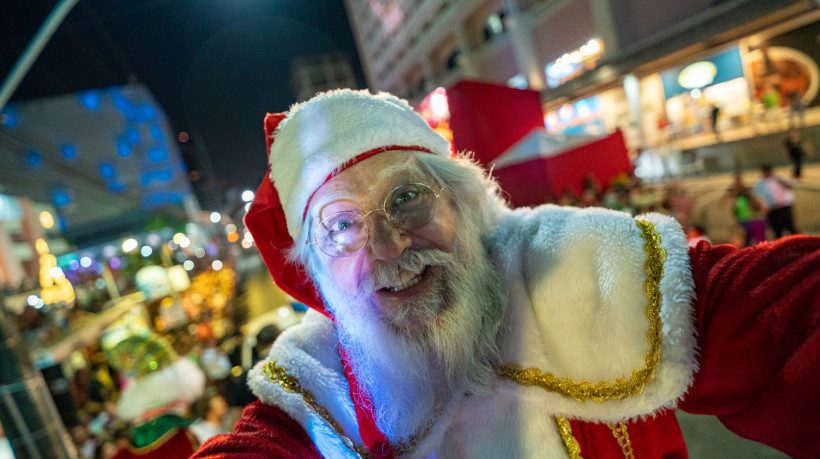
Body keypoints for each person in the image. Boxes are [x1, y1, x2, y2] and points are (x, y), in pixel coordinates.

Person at [193, 89, 820, 458]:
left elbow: (776, 313)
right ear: (317, 275)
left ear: (465, 203)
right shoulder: (316, 389)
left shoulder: (574, 264)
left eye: (406, 198)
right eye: (342, 227)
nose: (388, 245)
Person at [754, 165, 799, 238]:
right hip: (772, 209)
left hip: (784, 207)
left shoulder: (778, 179)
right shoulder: (760, 184)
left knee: (791, 228)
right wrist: (763, 206)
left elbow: (790, 186)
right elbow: (758, 196)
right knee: (777, 230)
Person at [723, 174, 767, 247]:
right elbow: (726, 204)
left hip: (750, 219)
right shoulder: (733, 194)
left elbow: (757, 204)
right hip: (742, 220)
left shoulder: (747, 193)